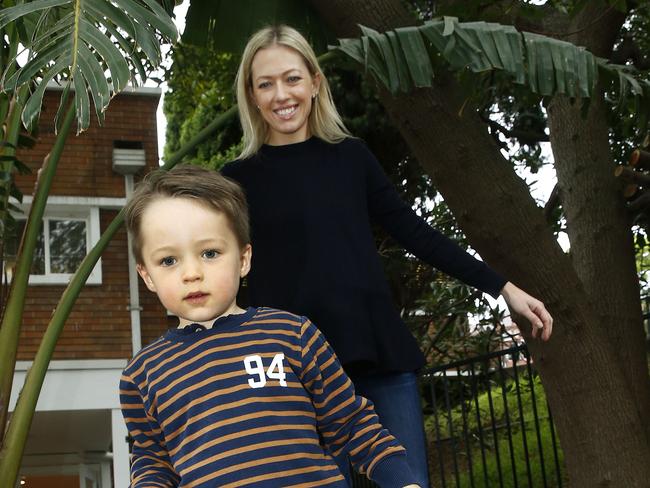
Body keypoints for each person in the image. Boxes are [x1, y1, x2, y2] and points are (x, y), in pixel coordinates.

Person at [221, 24, 554, 487]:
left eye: (292, 78)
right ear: (252, 96)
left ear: (315, 83)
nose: (282, 94)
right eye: (266, 83)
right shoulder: (235, 182)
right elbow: (220, 274)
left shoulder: (351, 159)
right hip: (296, 373)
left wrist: (503, 287)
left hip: (377, 357)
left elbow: (416, 233)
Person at [118, 165, 422, 488]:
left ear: (244, 258)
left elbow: (351, 423)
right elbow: (153, 464)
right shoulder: (143, 375)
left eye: (210, 253)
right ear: (147, 275)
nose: (191, 272)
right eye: (169, 260)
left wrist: (403, 481)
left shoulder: (293, 336)